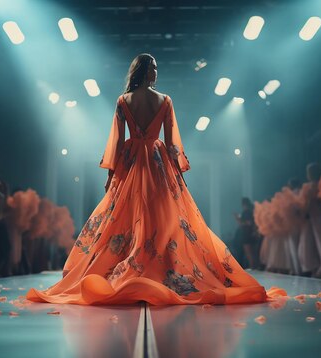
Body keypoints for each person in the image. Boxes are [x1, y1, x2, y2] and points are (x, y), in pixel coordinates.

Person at [27, 54, 284, 305]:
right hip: (157, 162)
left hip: (131, 162)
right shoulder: (164, 100)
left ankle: (133, 268)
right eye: (154, 68)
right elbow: (172, 142)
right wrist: (179, 173)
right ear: (145, 71)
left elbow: (116, 141)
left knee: (125, 218)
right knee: (163, 217)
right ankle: (159, 268)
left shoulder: (123, 101)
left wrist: (111, 174)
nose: (157, 73)